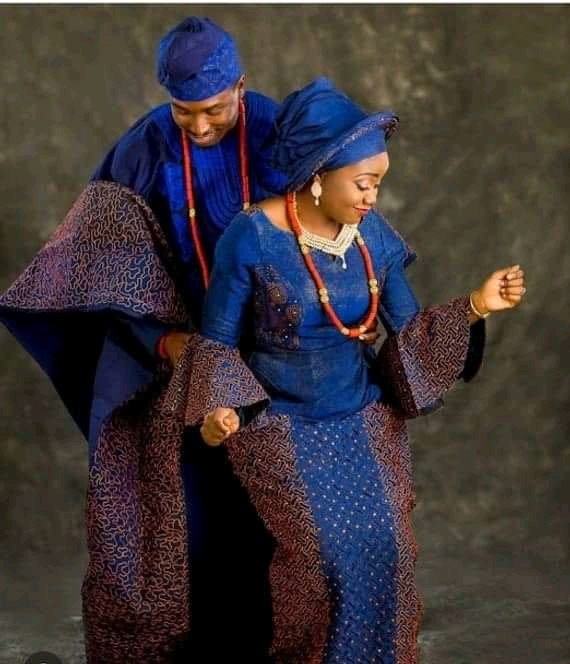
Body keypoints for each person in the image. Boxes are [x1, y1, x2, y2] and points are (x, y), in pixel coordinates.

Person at [185, 77, 527, 663]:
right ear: (318, 175)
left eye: (379, 184)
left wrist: (476, 305)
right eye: (363, 183)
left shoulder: (373, 238)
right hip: (278, 424)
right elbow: (216, 342)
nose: (373, 196)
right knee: (327, 556)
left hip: (362, 418)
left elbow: (410, 333)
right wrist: (220, 412)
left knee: (388, 549)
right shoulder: (251, 237)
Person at [0, 16, 292, 664]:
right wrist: (166, 343)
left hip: (273, 349)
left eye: (214, 110)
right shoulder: (144, 148)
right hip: (179, 350)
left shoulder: (280, 133)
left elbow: (325, 233)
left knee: (276, 504)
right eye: (184, 111)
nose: (199, 126)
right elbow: (108, 259)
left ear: (241, 87)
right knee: (193, 508)